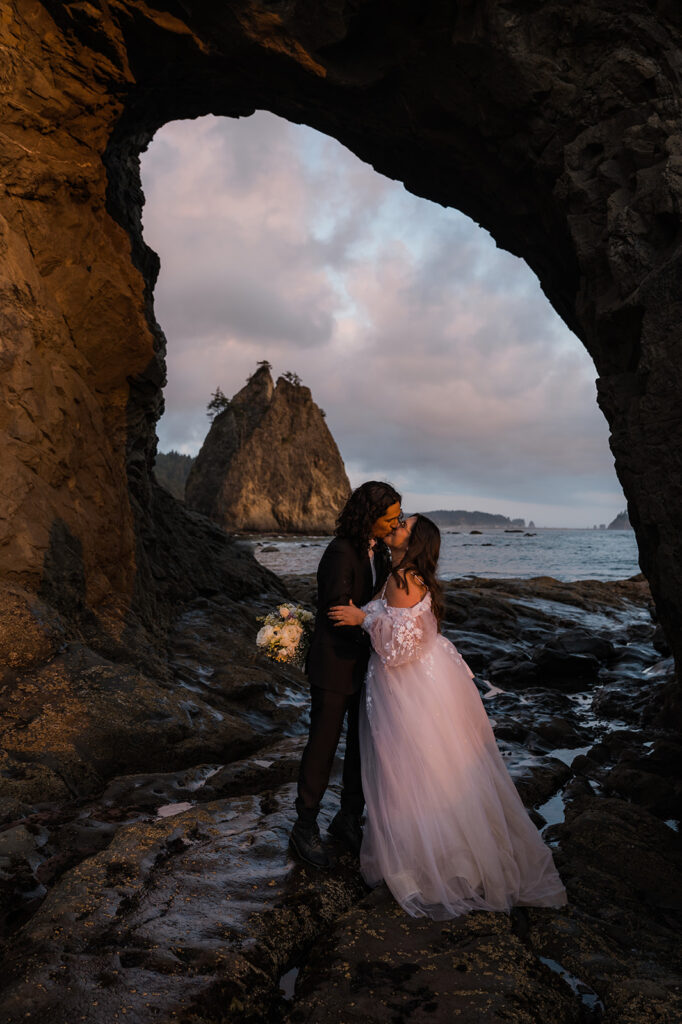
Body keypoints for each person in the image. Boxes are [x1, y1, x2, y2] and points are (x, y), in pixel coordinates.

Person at [329, 514, 567, 919]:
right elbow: (407, 627)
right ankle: (457, 859)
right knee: (438, 764)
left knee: (412, 767)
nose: (397, 524)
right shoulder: (407, 575)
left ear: (414, 541)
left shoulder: (401, 578)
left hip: (407, 682)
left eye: (404, 523)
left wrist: (362, 619)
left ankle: (430, 866)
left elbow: (400, 647)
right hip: (428, 678)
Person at [290, 481, 403, 869]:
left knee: (361, 744)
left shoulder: (381, 552)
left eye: (398, 517)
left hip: (367, 666)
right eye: (389, 518)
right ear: (368, 517)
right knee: (323, 745)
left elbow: (379, 603)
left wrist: (381, 627)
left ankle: (348, 818)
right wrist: (376, 627)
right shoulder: (340, 552)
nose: (395, 524)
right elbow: (338, 613)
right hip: (335, 664)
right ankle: (304, 825)